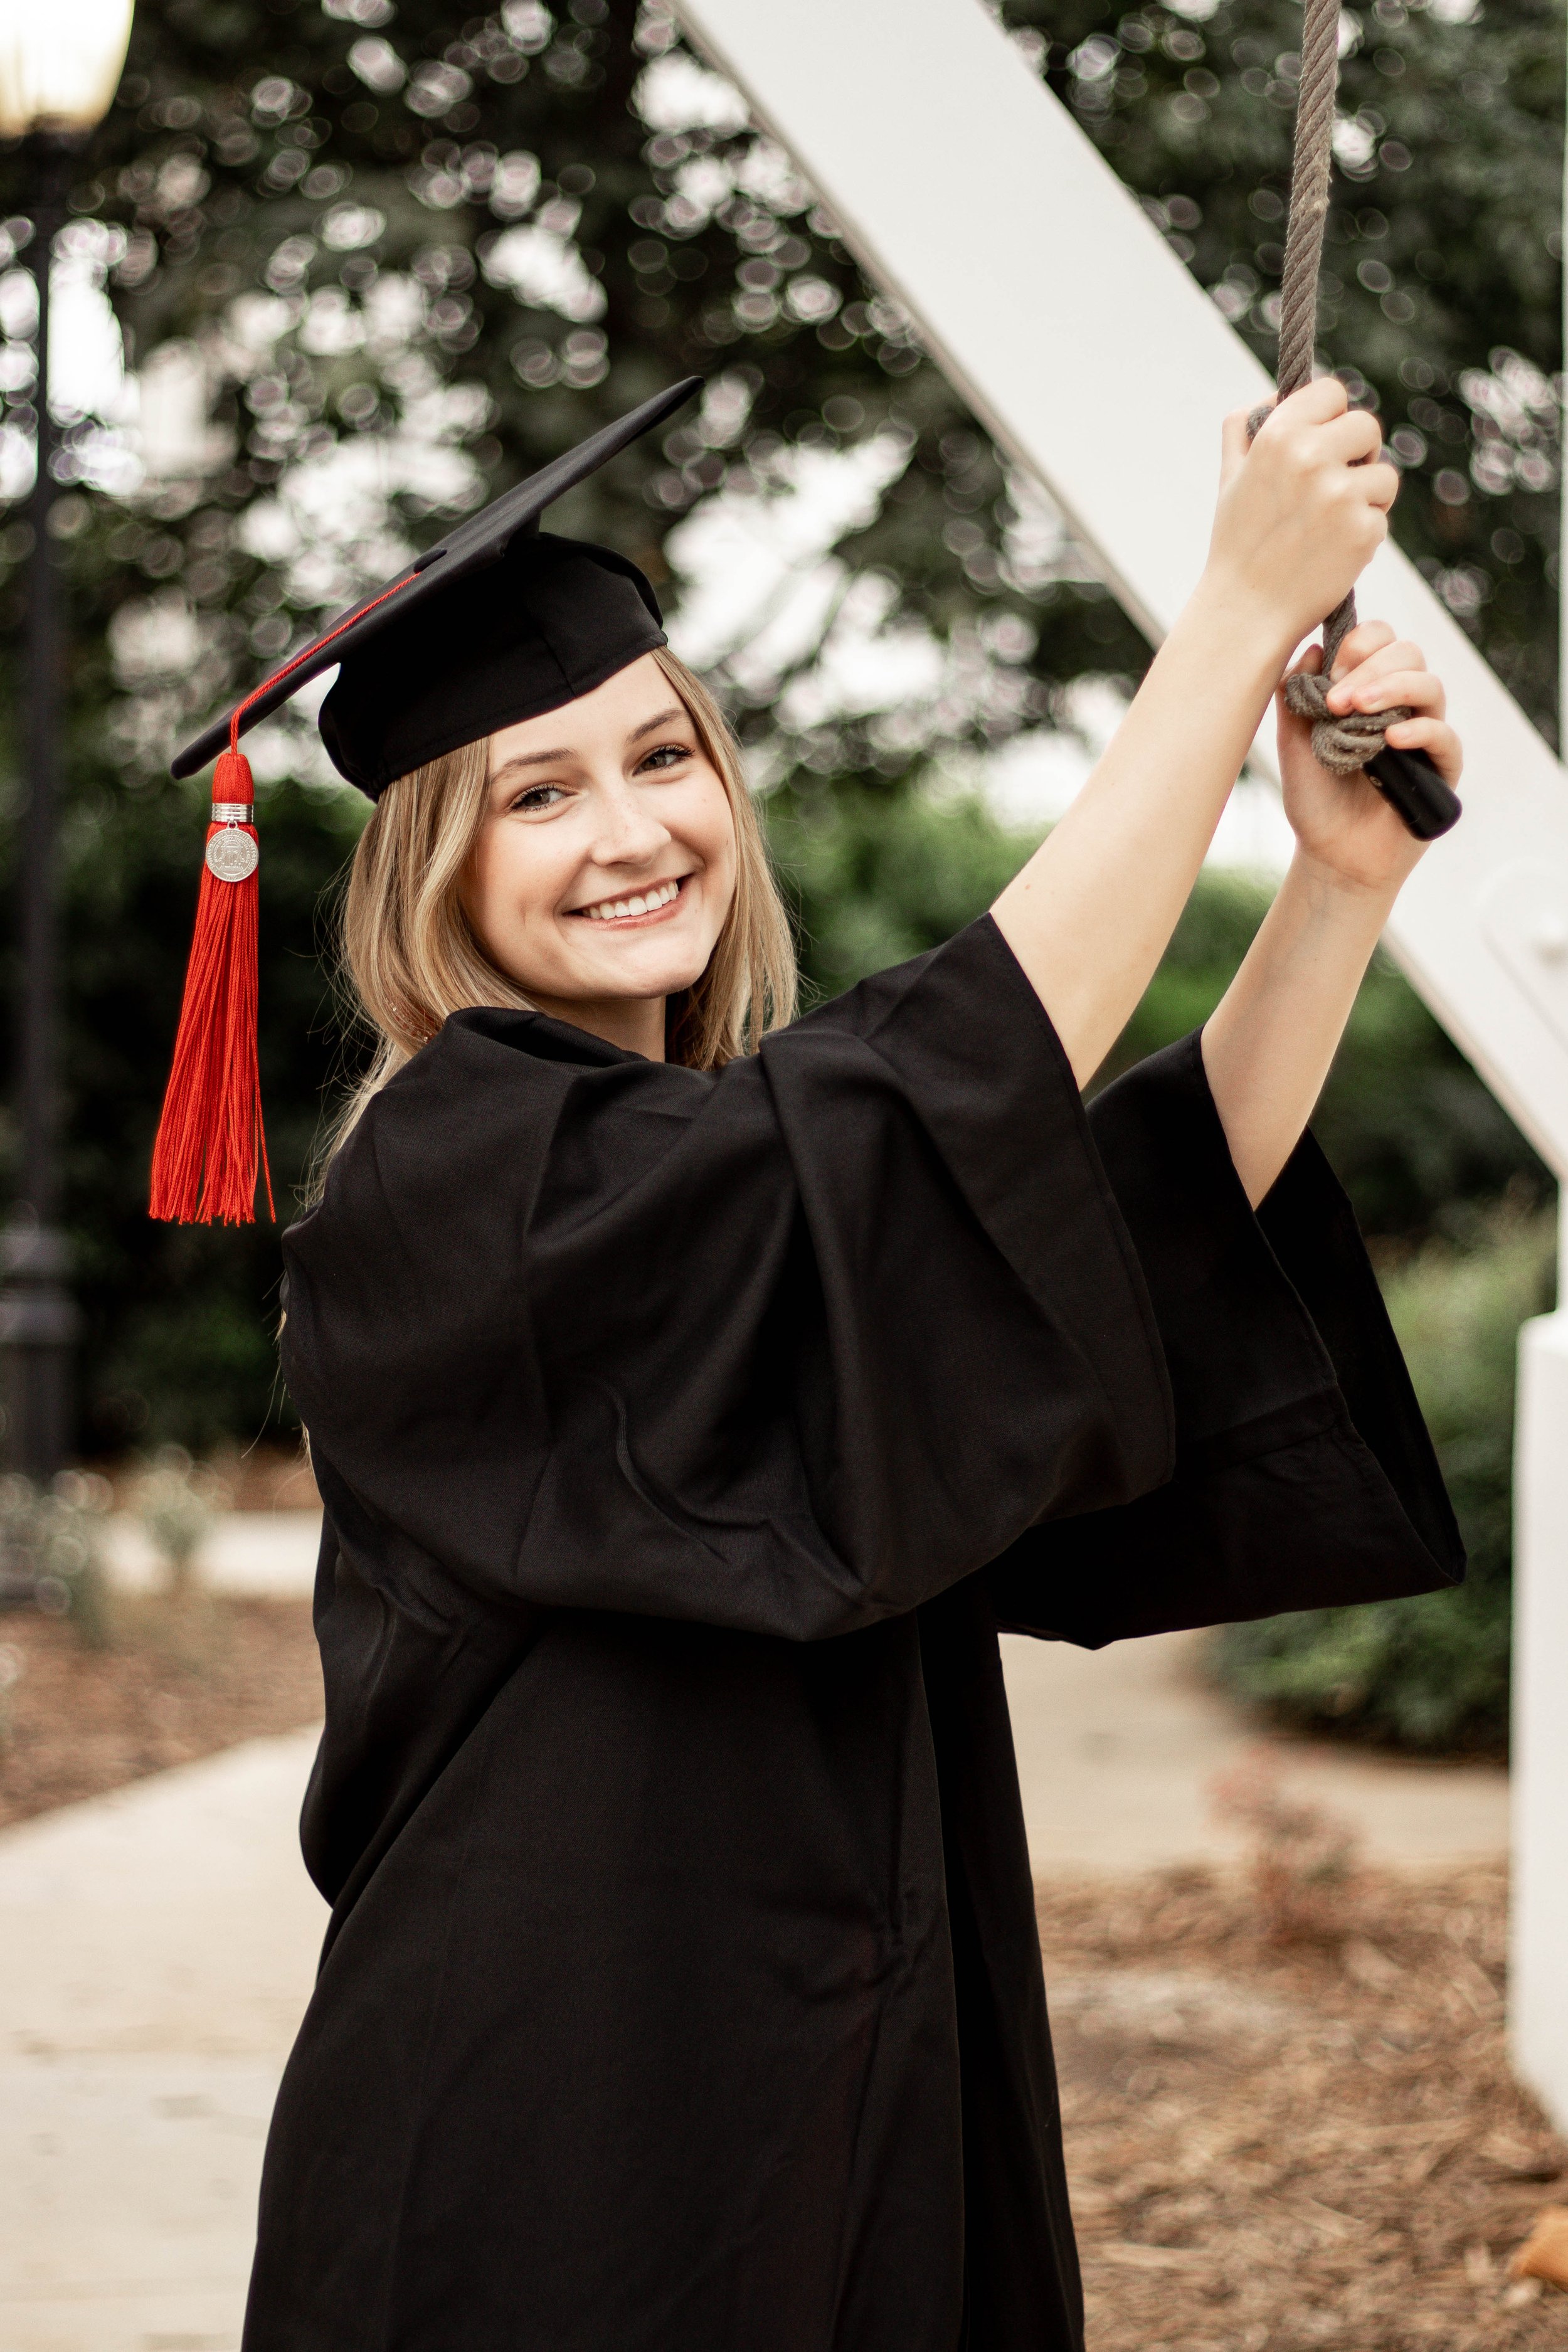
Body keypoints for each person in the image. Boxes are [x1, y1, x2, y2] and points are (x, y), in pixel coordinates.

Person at [160, 377, 1464, 2351]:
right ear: (432, 866)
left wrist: (1334, 884)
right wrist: (1219, 636)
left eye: (660, 756)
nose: (631, 832)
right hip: (561, 2127)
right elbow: (905, 1135)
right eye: (537, 792)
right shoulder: (454, 1174)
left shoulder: (700, 1164)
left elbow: (1104, 1219)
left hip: (851, 2062)